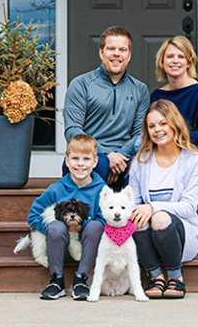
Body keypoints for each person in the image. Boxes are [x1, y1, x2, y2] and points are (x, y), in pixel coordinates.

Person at [129, 100, 198, 299]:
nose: (157, 130)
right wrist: (143, 210)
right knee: (137, 217)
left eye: (163, 123)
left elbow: (188, 207)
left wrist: (152, 207)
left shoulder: (194, 161)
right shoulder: (140, 161)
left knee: (160, 217)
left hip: (182, 234)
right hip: (147, 236)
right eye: (151, 126)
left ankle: (176, 277)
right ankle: (156, 277)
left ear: (174, 124)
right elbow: (134, 203)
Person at [64, 26, 150, 191]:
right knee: (100, 163)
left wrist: (121, 157)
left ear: (129, 55)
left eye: (122, 49)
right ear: (101, 52)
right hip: (88, 156)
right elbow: (72, 130)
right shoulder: (81, 85)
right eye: (111, 48)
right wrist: (106, 155)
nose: (116, 54)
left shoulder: (140, 90)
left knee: (144, 163)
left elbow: (141, 132)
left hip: (125, 158)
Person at [27, 134, 106, 300]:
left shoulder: (101, 189)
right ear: (67, 161)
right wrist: (48, 228)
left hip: (87, 248)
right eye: (75, 158)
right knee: (56, 226)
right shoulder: (56, 189)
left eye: (86, 159)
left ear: (95, 162)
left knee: (96, 225)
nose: (80, 164)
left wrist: (80, 227)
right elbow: (33, 215)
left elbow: (105, 219)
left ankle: (81, 280)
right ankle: (56, 280)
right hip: (59, 247)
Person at [150, 36, 198, 191]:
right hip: (169, 159)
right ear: (162, 62)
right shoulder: (157, 96)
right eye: (170, 56)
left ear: (189, 62)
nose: (175, 61)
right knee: (140, 149)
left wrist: (172, 136)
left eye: (181, 56)